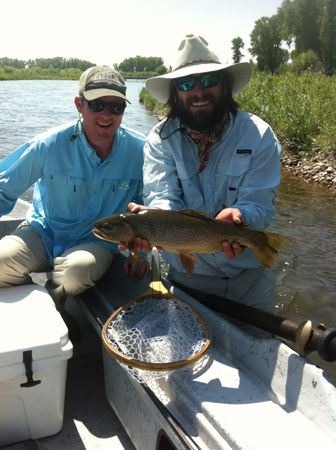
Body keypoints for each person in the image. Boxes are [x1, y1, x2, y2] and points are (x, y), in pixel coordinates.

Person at [128, 34, 282, 314]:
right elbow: (163, 196)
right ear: (175, 94)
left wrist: (241, 216)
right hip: (189, 279)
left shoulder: (259, 135)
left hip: (249, 278)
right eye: (187, 84)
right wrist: (153, 221)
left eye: (209, 80)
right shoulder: (160, 140)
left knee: (262, 344)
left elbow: (261, 204)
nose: (198, 92)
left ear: (224, 87)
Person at [0, 65, 148, 314]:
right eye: (97, 104)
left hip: (98, 240)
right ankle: (44, 306)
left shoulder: (142, 151)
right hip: (43, 232)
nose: (106, 114)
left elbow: (151, 210)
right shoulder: (46, 146)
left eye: (116, 107)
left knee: (73, 274)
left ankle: (56, 299)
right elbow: (4, 189)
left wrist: (141, 254)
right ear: (80, 104)